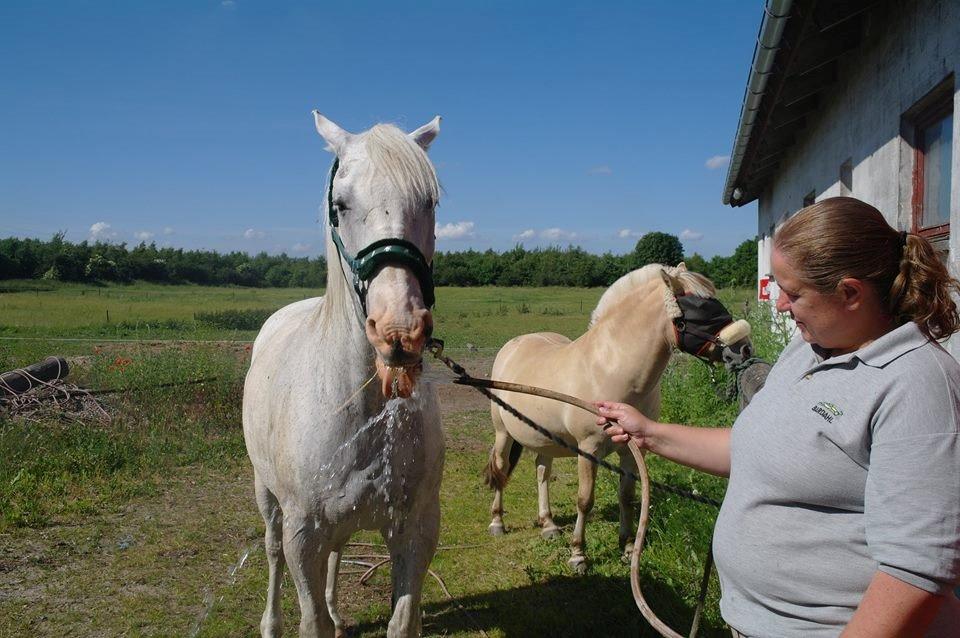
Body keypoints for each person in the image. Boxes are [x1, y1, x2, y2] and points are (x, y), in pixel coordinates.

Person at [595, 197, 960, 637]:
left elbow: (916, 572)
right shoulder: (809, 348)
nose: (781, 303)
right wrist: (650, 433)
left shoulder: (917, 383)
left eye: (794, 291)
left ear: (850, 293)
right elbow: (756, 448)